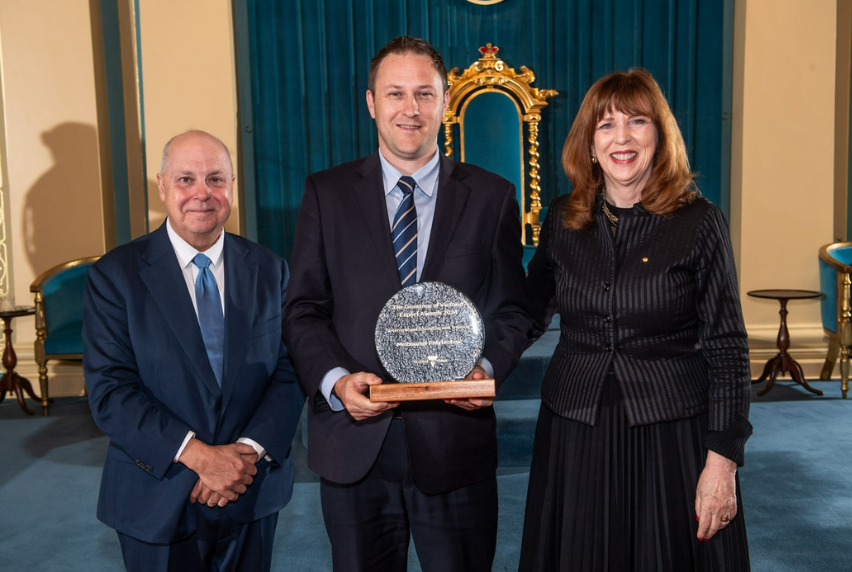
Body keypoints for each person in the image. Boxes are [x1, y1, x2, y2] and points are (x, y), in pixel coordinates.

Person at [283, 36, 530, 572]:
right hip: (355, 444)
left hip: (453, 444)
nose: (410, 109)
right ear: (371, 103)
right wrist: (335, 381)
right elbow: (303, 309)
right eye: (395, 94)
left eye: (424, 93)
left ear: (446, 102)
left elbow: (515, 309)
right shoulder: (325, 195)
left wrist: (484, 370)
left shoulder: (492, 197)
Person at [519, 68, 752, 571]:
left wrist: (723, 459)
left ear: (659, 135)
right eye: (605, 125)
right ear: (588, 141)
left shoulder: (699, 221)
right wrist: (469, 356)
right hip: (576, 430)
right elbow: (526, 312)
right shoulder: (562, 218)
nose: (621, 138)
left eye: (636, 122)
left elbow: (728, 346)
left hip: (670, 437)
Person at [83, 130, 305, 572]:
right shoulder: (115, 276)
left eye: (216, 179)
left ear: (232, 186)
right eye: (186, 179)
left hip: (251, 486)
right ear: (162, 186)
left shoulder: (270, 269)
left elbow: (289, 370)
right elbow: (111, 392)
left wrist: (242, 456)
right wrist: (202, 459)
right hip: (157, 490)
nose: (202, 194)